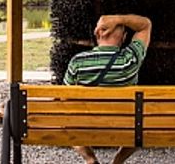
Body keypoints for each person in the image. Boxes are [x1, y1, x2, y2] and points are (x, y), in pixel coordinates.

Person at [63, 14, 152, 164]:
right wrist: (119, 19)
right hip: (125, 127)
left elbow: (63, 98)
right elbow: (145, 25)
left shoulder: (77, 62)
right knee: (141, 127)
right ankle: (117, 162)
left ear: (97, 33)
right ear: (124, 37)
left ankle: (90, 159)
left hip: (85, 127)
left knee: (67, 118)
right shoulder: (129, 60)